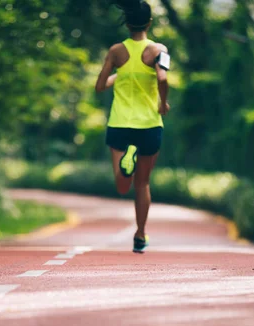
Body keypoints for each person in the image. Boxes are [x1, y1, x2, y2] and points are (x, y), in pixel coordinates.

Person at [95, 0, 170, 254]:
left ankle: (128, 162)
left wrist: (121, 74)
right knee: (143, 184)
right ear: (149, 23)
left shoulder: (116, 51)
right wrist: (163, 103)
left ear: (127, 23)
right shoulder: (160, 49)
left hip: (120, 124)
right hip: (149, 125)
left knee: (122, 185)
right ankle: (140, 235)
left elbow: (100, 85)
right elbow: (162, 76)